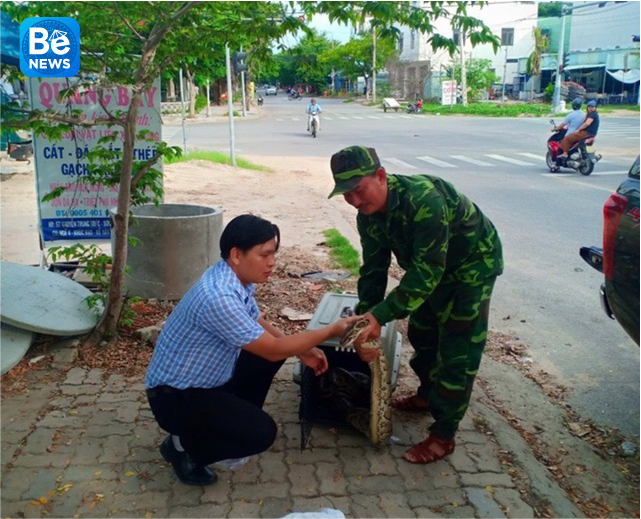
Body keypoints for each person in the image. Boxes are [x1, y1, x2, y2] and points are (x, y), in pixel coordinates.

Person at [145, 214, 356, 485]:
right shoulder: (218, 295)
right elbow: (272, 349)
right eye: (265, 255)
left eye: (274, 254)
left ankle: (223, 422)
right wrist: (330, 331)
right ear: (236, 254)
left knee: (271, 356)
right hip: (174, 397)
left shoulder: (232, 277)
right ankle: (183, 448)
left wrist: (299, 349)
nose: (272, 263)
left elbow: (255, 320)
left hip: (203, 382)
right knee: (260, 434)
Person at [328, 146, 503, 465]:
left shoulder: (424, 200)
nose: (354, 201)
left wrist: (380, 316)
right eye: (346, 195)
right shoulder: (367, 216)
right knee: (423, 334)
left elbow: (427, 272)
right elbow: (373, 268)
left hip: (471, 268)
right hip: (432, 268)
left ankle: (444, 434)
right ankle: (427, 395)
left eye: (358, 190)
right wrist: (367, 319)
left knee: (456, 352)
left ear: (380, 177)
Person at [557, 99, 599, 164]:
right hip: (592, 134)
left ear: (595, 108)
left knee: (567, 138)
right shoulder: (586, 114)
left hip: (586, 133)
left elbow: (587, 123)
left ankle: (565, 153)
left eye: (592, 107)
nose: (590, 108)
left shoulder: (592, 114)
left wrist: (579, 129)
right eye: (589, 107)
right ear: (587, 107)